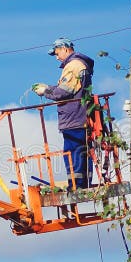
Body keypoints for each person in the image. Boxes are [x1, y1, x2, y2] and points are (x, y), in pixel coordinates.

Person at [33, 37, 94, 189]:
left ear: (65, 49)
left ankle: (76, 185)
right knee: (82, 151)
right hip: (81, 116)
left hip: (74, 117)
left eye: (57, 53)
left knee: (72, 152)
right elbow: (68, 89)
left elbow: (63, 93)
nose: (56, 57)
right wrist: (49, 87)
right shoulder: (78, 65)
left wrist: (45, 91)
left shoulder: (73, 66)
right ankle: (83, 183)